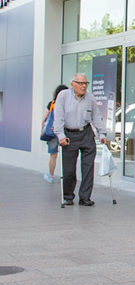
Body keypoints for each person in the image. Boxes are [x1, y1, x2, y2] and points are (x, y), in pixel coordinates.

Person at [53, 75, 109, 205]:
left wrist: (102, 133)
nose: (84, 86)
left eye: (86, 83)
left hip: (86, 133)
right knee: (69, 170)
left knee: (88, 167)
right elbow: (59, 116)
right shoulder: (63, 95)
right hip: (69, 134)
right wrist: (60, 135)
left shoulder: (90, 98)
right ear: (72, 84)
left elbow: (96, 116)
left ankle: (85, 197)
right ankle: (68, 196)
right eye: (80, 83)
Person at [41, 84, 68, 183]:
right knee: (68, 155)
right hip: (65, 132)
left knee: (53, 155)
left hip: (52, 133)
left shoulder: (52, 103)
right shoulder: (67, 104)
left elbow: (44, 119)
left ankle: (51, 176)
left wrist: (43, 131)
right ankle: (66, 177)